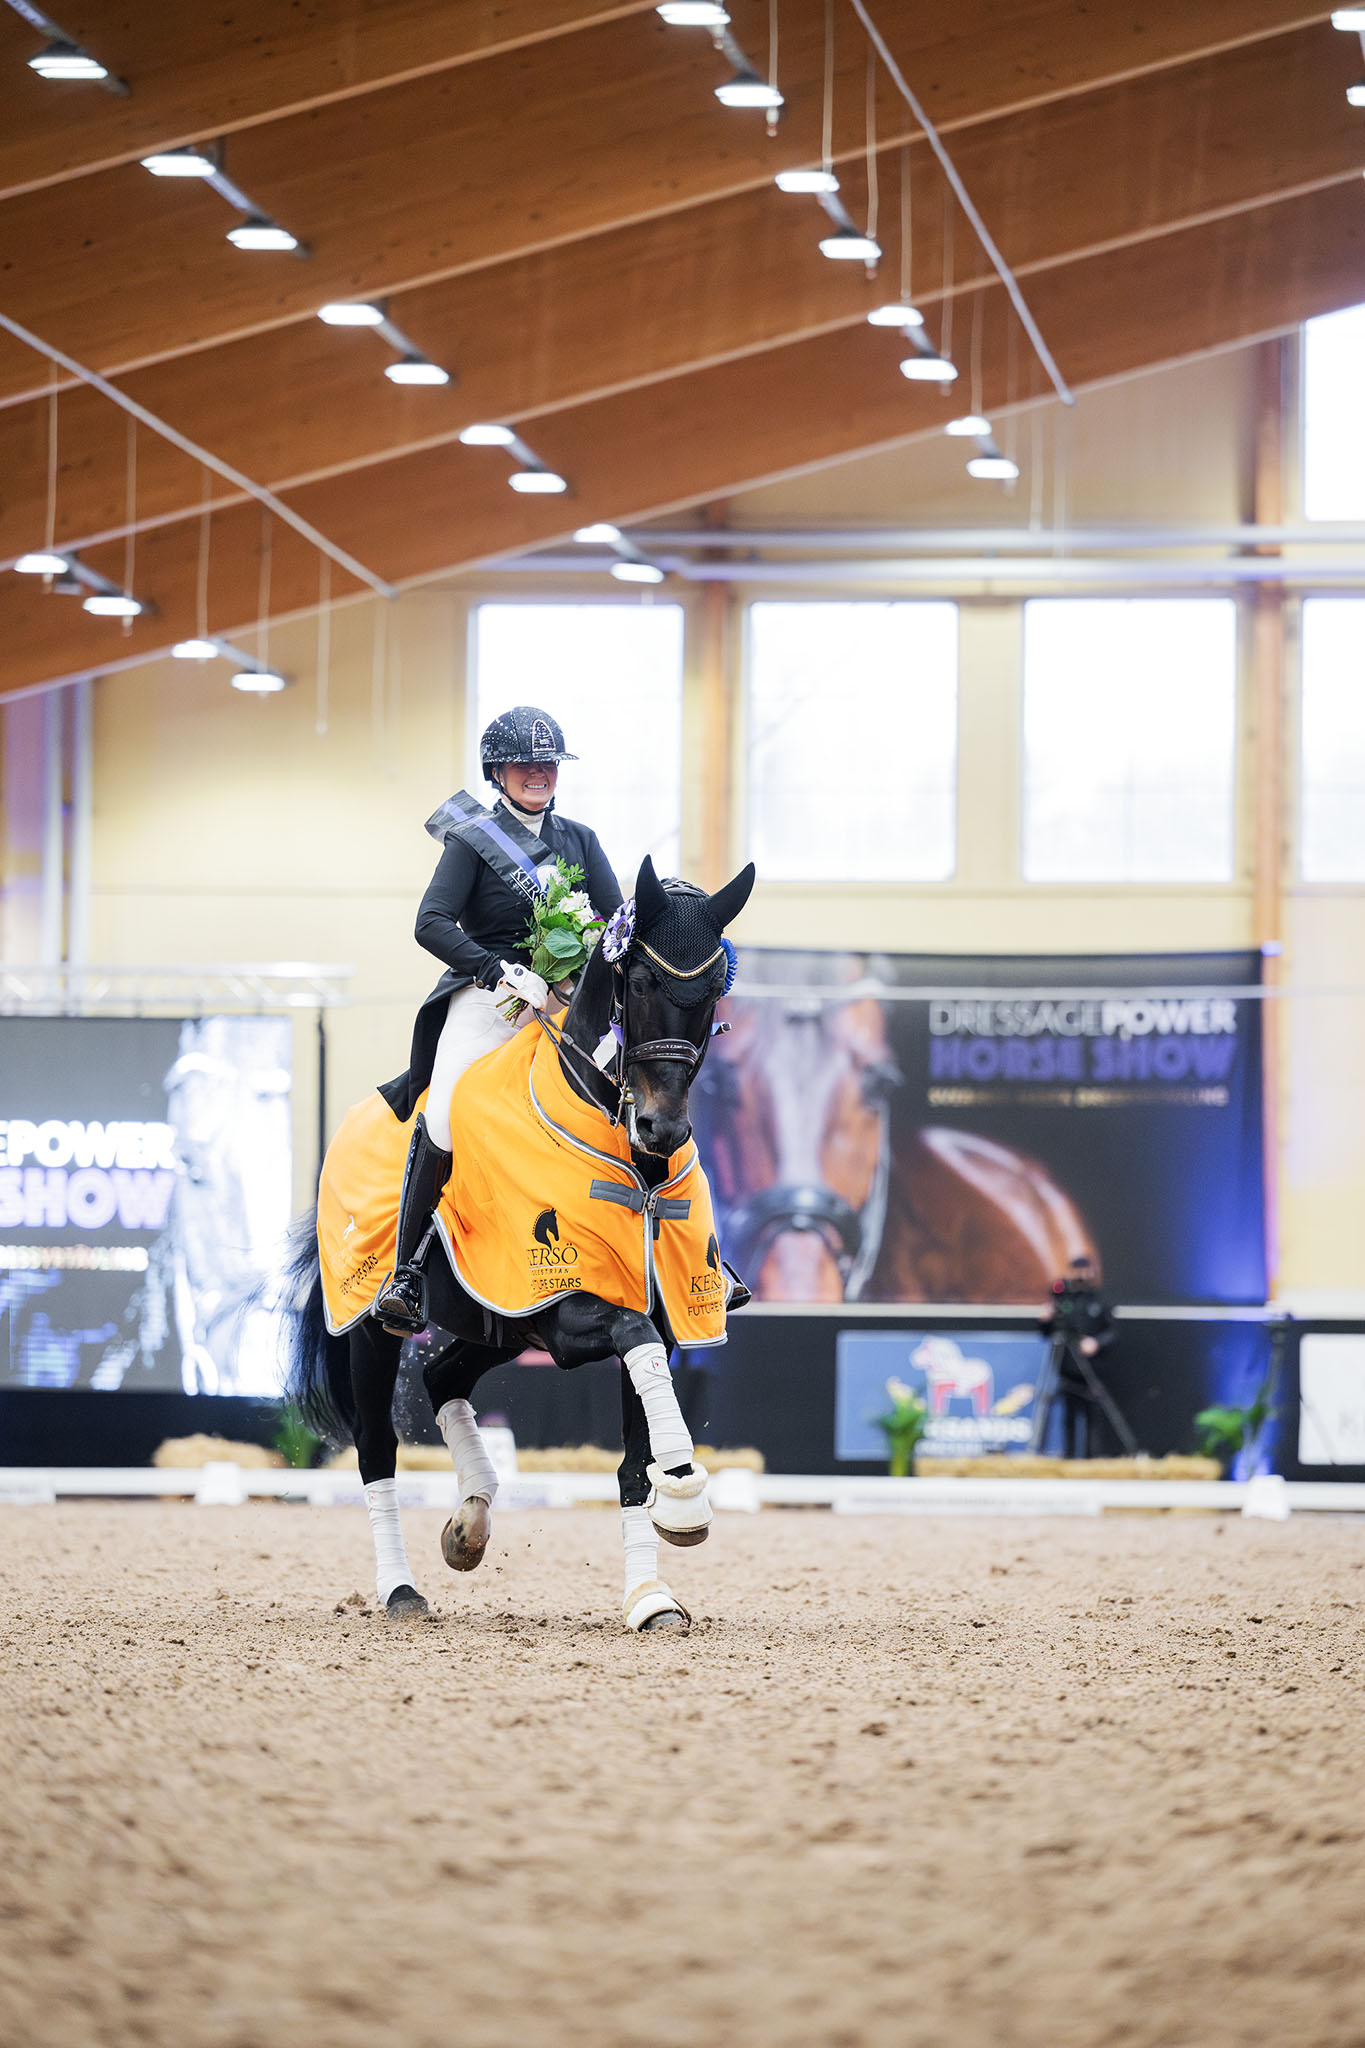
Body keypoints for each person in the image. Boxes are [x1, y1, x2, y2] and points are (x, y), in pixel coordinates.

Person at [372, 705, 622, 1332]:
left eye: (548, 764)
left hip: (565, 1002)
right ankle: (406, 1273)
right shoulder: (474, 839)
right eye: (524, 764)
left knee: (643, 1094)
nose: (538, 774)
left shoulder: (581, 840)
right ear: (498, 771)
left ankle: (691, 1258)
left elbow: (619, 925)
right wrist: (496, 970)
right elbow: (430, 922)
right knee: (447, 1112)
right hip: (493, 997)